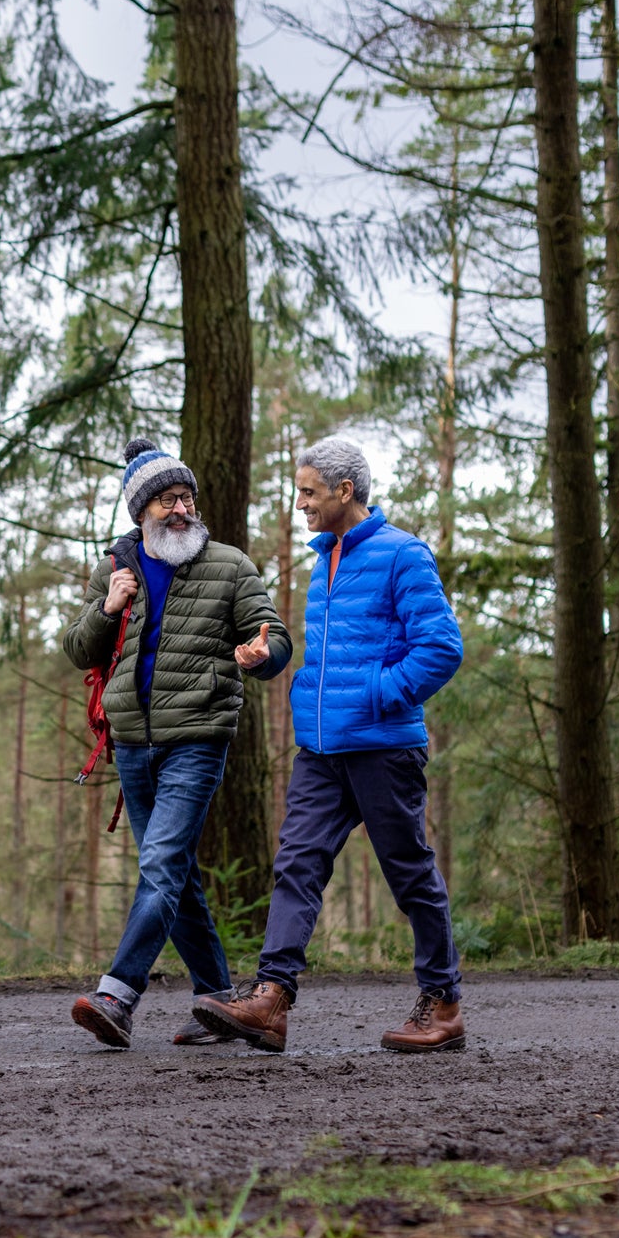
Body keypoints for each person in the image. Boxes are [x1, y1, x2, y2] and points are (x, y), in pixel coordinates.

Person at [194, 437, 467, 1054]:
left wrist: (378, 693)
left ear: (346, 492)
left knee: (408, 874)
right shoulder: (327, 561)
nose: (301, 504)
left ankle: (443, 1002)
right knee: (297, 863)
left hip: (382, 746)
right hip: (320, 748)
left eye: (309, 493)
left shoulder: (404, 556)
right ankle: (272, 997)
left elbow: (441, 648)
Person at [61, 439, 291, 1049]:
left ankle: (118, 993)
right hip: (133, 741)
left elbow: (275, 637)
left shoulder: (230, 565)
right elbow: (78, 649)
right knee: (176, 873)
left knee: (159, 863)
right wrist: (107, 609)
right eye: (167, 500)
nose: (181, 509)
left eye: (186, 497)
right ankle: (218, 998)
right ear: (141, 511)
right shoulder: (115, 568)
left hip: (198, 735)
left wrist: (264, 654)